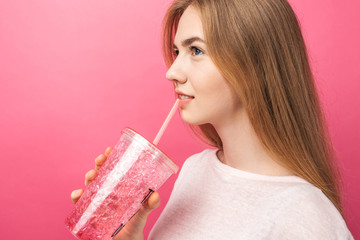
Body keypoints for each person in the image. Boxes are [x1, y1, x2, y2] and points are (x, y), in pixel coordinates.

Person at [71, 0, 354, 239]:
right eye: (176, 51)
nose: (172, 72)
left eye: (196, 50)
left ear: (254, 64)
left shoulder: (307, 218)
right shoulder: (196, 170)